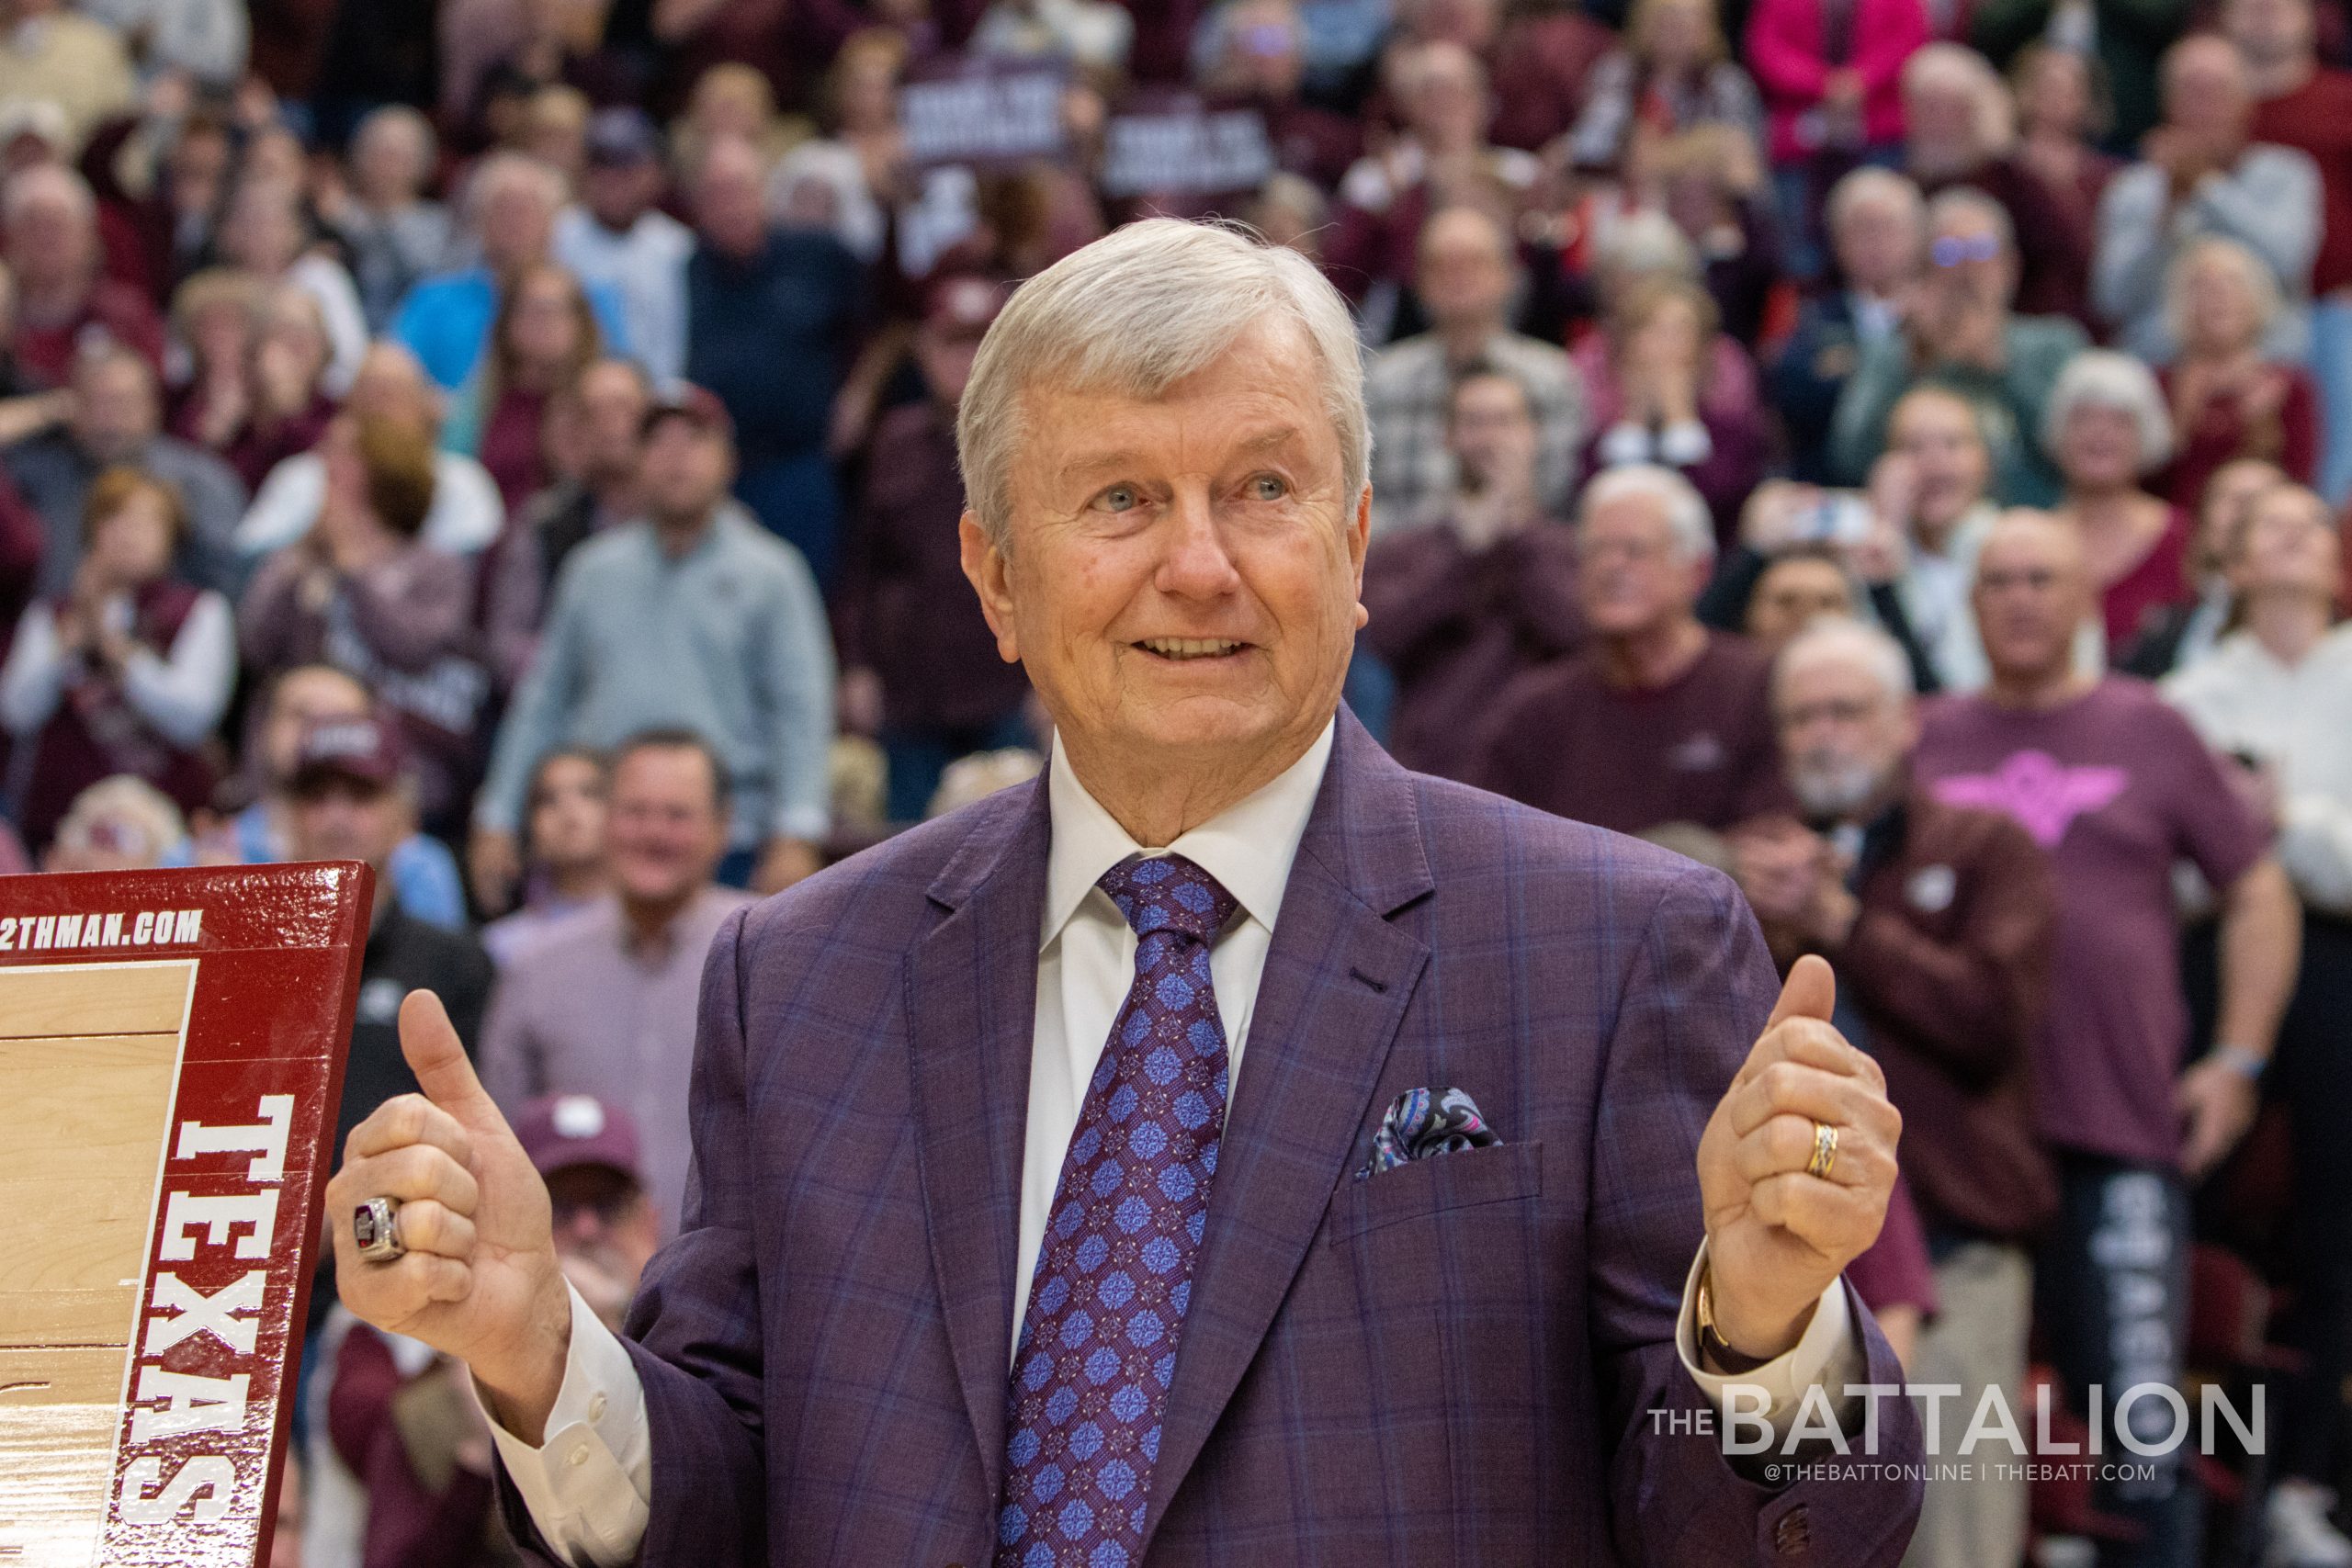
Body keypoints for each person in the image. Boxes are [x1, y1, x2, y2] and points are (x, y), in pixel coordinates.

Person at [327, 218, 1921, 1566]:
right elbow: (724, 1494)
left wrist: (1773, 1334)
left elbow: (1785, 1535)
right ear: (994, 578)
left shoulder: (1620, 945)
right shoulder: (798, 975)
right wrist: (539, 1351)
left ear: (1358, 545)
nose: (1202, 565)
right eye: (1119, 500)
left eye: (1264, 489)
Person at [1913, 510, 2301, 1568]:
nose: (2023, 598)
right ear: (1971, 603)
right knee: (1942, 1442)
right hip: (1953, 1148)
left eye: (2044, 577)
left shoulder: (2149, 725)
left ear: (2085, 597)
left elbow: (2258, 887)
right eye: (1999, 581)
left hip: (2118, 1127)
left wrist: (2237, 1057)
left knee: (2140, 1438)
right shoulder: (1922, 734)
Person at [1737, 616, 2055, 1568]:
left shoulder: (1985, 847)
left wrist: (1845, 924)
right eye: (1800, 719)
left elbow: (1993, 1018)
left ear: (1906, 722)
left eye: (1845, 712)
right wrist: (1753, 916)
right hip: (1797, 1283)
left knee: (1949, 1543)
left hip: (1954, 1255)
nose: (1821, 735)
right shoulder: (1752, 872)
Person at [2161, 483, 2352, 1568]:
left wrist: (2282, 824)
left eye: (2309, 526)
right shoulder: (2190, 694)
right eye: (2265, 525)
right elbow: (2174, 870)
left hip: (2339, 967)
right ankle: (2169, 1468)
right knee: (2189, 1199)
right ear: (2229, 565)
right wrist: (2252, 853)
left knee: (2336, 1229)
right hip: (2206, 964)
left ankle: (2305, 1480)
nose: (2289, 536)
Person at [472, 386, 834, 908]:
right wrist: (498, 815)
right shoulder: (592, 572)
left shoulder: (772, 575)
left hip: (730, 838)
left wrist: (798, 831)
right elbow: (542, 702)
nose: (676, 457)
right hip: (603, 837)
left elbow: (801, 710)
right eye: (658, 442)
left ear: (727, 460)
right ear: (637, 462)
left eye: (694, 441)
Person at [481, 728, 755, 1240]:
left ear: (723, 828)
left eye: (678, 815)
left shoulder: (766, 954)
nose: (654, 834)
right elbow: (496, 1151)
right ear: (606, 820)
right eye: (635, 812)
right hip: (572, 1289)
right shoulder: (534, 968)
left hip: (732, 1292)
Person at [1476, 464, 1795, 835]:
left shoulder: (1758, 688)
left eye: (1635, 550)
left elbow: (1772, 847)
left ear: (1698, 571)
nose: (1613, 566)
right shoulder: (1532, 712)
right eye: (1597, 550)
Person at [837, 276, 1035, 825]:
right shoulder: (895, 442)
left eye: (980, 343)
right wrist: (856, 666)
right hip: (911, 691)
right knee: (910, 846)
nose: (965, 360)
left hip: (1007, 683)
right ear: (925, 351)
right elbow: (864, 566)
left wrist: (1052, 681)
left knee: (1017, 837)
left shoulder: (1038, 442)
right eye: (953, 344)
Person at [238, 413, 491, 838]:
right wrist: (302, 558)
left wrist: (353, 567)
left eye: (346, 455)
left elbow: (414, 646)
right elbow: (255, 645)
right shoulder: (302, 557)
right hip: (298, 780)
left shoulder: (436, 566)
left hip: (400, 779)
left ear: (384, 470)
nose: (328, 466)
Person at [288, 711, 494, 1159]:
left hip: (403, 1217)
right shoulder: (254, 961)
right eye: (316, 798)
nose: (336, 818)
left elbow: (476, 1130)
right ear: (290, 817)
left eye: (361, 796)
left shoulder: (455, 964)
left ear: (405, 814)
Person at [1361, 365, 1582, 781]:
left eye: (1505, 421)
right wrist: (1464, 550)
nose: (1489, 438)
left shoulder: (1567, 548)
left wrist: (1517, 535)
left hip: (1546, 768)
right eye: (1473, 422)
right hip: (1435, 767)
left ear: (1533, 435)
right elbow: (1386, 635)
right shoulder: (1406, 550)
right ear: (1448, 437)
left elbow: (1573, 632)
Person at [0, 467, 232, 849]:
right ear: (93, 532)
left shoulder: (199, 610)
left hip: (170, 822)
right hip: (58, 826)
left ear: (171, 537)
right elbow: (16, 711)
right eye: (116, 520)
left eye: (146, 523)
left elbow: (191, 718)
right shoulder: (52, 614)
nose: (129, 536)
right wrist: (69, 644)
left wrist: (115, 653)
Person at [1830, 186, 2089, 507]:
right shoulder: (1896, 351)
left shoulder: (2053, 344)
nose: (1966, 269)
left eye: (1981, 250)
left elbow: (2075, 452)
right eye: (1948, 253)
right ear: (1924, 270)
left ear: (2011, 267)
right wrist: (1916, 360)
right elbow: (1852, 456)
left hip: (2032, 525)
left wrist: (1997, 361)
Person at [684, 134, 864, 592]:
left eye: (740, 189)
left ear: (765, 191)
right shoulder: (684, 270)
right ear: (697, 207)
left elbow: (889, 324)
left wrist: (861, 392)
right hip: (716, 478)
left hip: (799, 471)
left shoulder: (820, 255)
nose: (730, 206)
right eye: (716, 195)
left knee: (808, 594)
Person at [2095, 37, 2322, 360]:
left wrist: (2206, 187)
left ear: (2246, 103)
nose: (2204, 108)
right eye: (2191, 92)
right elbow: (2112, 300)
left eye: (2218, 92)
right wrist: (2167, 211)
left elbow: (2289, 263)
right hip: (2162, 366)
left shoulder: (2288, 173)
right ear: (2167, 103)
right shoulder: (2134, 188)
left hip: (2268, 366)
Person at [200, 661, 469, 931]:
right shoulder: (209, 855)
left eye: (341, 716)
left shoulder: (422, 866)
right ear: (263, 729)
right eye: (302, 716)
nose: (321, 728)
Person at [1363, 206, 1582, 533]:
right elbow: (1360, 501)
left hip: (1520, 561)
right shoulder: (1380, 382)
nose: (1458, 277)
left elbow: (1564, 504)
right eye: (1442, 266)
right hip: (1406, 569)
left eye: (1473, 262)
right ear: (1419, 281)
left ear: (1507, 275)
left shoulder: (1554, 379)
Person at [2225, 0, 2352, 505]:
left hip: (2331, 310)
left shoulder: (2341, 99)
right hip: (2234, 315)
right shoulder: (2213, 108)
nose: (2264, 11)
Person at [5, 344, 247, 598]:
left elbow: (226, 583)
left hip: (167, 630)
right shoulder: (36, 476)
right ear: (72, 409)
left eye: (121, 403)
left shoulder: (200, 482)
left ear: (153, 408)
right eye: (93, 402)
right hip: (50, 627)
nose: (107, 419)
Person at [235, 341, 507, 563]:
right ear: (347, 409)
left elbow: (473, 566)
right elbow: (249, 560)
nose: (379, 410)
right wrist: (316, 537)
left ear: (424, 410)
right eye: (368, 395)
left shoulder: (462, 481)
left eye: (393, 396)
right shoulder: (303, 476)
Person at [392, 152, 628, 393]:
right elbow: (396, 373)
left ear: (553, 222)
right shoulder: (434, 299)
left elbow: (617, 383)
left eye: (526, 209)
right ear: (477, 220)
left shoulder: (591, 298)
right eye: (501, 209)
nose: (513, 222)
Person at [486, 356, 650, 685]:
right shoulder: (544, 522)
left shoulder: (689, 520)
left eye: (623, 408)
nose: (610, 425)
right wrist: (577, 670)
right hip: (572, 712)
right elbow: (507, 642)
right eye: (595, 413)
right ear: (577, 431)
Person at [1743, 0, 1927, 281]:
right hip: (1800, 129)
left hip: (1878, 124)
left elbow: (1908, 39)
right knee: (1796, 239)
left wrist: (1861, 81)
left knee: (1880, 221)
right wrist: (1822, 84)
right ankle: (1805, 293)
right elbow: (1767, 48)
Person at [1577, 274, 1769, 541]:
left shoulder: (1733, 433)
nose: (1663, 348)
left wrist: (1680, 419)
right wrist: (1633, 421)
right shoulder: (1598, 439)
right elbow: (1595, 501)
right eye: (1651, 330)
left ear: (1702, 353)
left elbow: (1716, 505)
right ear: (1626, 350)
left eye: (1679, 332)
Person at [1771, 169, 1928, 482]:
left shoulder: (1940, 322)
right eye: (1861, 228)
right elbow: (1797, 400)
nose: (1876, 242)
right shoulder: (1811, 322)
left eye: (1888, 227)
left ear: (1918, 237)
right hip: (1834, 486)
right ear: (1837, 242)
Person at [2041, 350, 2194, 660]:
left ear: (2148, 435)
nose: (2100, 434)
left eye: (2120, 420)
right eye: (2083, 418)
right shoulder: (2030, 542)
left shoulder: (2185, 540)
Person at [2155, 235, 2319, 511]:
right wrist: (2181, 419)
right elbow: (2148, 484)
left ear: (2256, 299)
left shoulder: (2288, 384)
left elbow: (2300, 482)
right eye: (2202, 288)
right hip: (2181, 524)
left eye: (2231, 285)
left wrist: (2263, 426)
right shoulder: (2160, 384)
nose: (2218, 296)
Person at [445, 260, 604, 516]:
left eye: (555, 309)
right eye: (531, 309)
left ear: (581, 323)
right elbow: (455, 481)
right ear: (507, 321)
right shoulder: (478, 404)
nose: (543, 321)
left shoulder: (598, 401)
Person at [553, 107, 694, 388]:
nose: (614, 181)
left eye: (628, 168)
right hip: (572, 398)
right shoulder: (557, 237)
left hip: (656, 400)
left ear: (653, 173)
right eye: (602, 167)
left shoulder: (678, 247)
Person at [3, 164, 164, 389]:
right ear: (10, 238)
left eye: (57, 225)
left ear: (89, 237)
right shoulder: (5, 319)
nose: (46, 238)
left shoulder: (124, 315)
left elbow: (153, 398)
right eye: (32, 225)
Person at [1564, 0, 1765, 175]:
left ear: (1710, 27)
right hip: (1622, 198)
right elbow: (1590, 148)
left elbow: (1742, 160)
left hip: (1702, 204)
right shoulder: (1619, 73)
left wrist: (1664, 155)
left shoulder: (1727, 84)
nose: (1679, 29)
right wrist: (1701, 146)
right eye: (1669, 19)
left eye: (1691, 20)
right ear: (1645, 22)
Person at [322, 105, 456, 333]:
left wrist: (351, 222)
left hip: (412, 339)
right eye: (378, 153)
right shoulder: (334, 214)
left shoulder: (436, 224)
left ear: (423, 164)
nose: (386, 166)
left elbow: (426, 276)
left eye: (397, 156)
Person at [482, 745, 609, 968]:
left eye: (589, 793)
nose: (569, 810)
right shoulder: (501, 948)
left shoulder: (656, 933)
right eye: (549, 799)